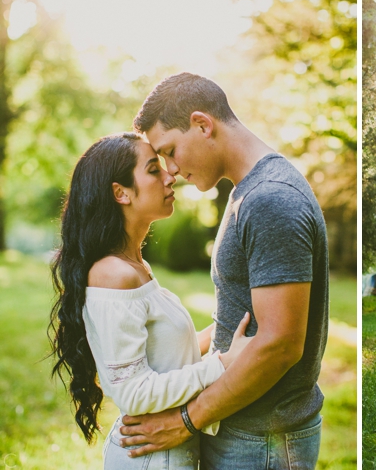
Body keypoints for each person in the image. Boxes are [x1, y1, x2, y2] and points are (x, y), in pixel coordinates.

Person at [118, 73, 329, 470]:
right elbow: (239, 317)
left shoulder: (270, 199)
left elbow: (280, 344)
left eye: (171, 151)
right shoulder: (246, 191)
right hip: (242, 427)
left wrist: (186, 420)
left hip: (261, 440)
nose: (172, 170)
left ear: (202, 124)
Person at [49, 132, 252, 469]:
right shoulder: (113, 275)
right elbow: (133, 392)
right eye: (154, 170)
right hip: (151, 459)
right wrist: (223, 365)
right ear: (121, 193)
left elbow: (167, 355)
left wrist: (229, 331)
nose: (170, 175)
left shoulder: (136, 266)